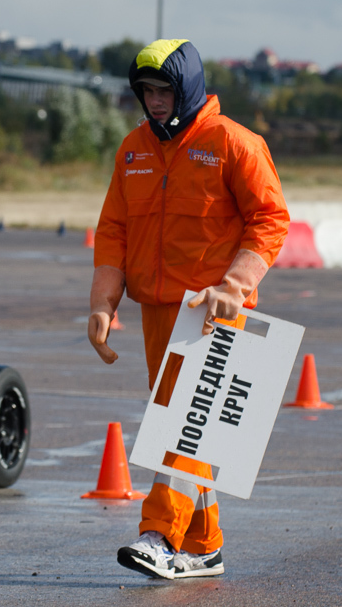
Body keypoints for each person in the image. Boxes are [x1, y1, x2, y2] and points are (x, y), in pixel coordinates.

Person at [88, 39, 289, 580]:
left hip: (213, 312)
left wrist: (236, 283)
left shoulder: (235, 143)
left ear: (188, 88)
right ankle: (204, 547)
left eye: (164, 90)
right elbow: (113, 229)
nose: (154, 101)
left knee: (181, 426)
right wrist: (103, 302)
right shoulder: (132, 149)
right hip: (156, 311)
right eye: (146, 91)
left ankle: (157, 534)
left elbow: (270, 220)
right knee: (182, 428)